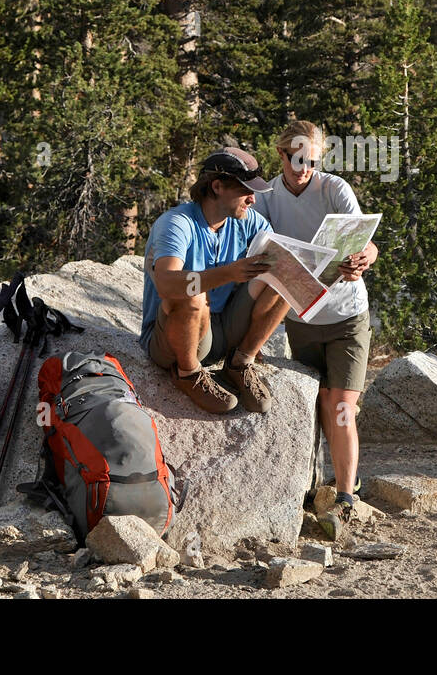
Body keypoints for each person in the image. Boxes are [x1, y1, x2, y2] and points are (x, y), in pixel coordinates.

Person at [253, 121, 378, 539]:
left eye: (313, 161)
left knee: (341, 404)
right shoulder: (266, 198)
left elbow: (367, 241)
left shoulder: (335, 189)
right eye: (297, 160)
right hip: (301, 317)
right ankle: (319, 483)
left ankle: (345, 496)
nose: (305, 168)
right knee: (315, 404)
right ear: (282, 155)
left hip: (346, 315)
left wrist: (363, 259)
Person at [139, 147, 289, 414]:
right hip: (174, 341)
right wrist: (230, 273)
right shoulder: (177, 223)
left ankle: (240, 363)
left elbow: (281, 261)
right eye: (246, 191)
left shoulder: (247, 221)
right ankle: (188, 373)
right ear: (217, 186)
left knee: (284, 272)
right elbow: (166, 283)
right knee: (192, 293)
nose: (253, 200)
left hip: (223, 330)